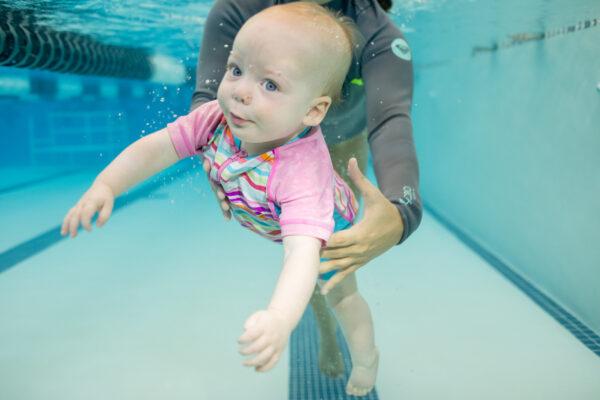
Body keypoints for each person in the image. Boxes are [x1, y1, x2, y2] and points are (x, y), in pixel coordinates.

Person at [61, 3, 381, 396]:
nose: (240, 92)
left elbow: (301, 256)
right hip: (271, 211)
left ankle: (366, 358)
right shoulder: (215, 116)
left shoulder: (300, 175)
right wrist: (106, 185)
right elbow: (158, 148)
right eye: (236, 70)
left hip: (329, 231)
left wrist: (280, 318)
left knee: (343, 295)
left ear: (313, 111)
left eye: (270, 85)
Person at [194, 0, 422, 380]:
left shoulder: (377, 34)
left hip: (343, 144)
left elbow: (390, 121)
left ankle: (333, 333)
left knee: (328, 256)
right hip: (267, 140)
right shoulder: (238, 9)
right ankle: (325, 329)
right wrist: (210, 151)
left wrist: (401, 212)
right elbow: (207, 99)